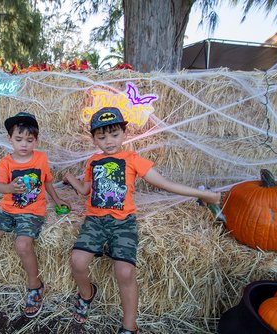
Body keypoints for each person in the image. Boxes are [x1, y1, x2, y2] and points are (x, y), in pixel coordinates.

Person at [63, 107, 221, 334]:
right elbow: (87, 190)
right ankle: (87, 294)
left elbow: (164, 183)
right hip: (95, 221)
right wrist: (70, 178)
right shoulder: (93, 161)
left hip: (123, 222)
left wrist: (202, 194)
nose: (109, 141)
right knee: (77, 261)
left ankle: (129, 326)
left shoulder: (132, 159)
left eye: (114, 134)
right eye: (102, 136)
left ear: (124, 134)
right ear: (94, 138)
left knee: (125, 272)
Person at [0, 111, 69, 318]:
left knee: (23, 244)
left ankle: (35, 285)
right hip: (7, 209)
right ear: (10, 140)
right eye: (18, 139)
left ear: (36, 140)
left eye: (29, 140)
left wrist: (57, 199)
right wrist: (8, 188)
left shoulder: (41, 159)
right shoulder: (5, 163)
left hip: (32, 211)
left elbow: (47, 181)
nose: (24, 144)